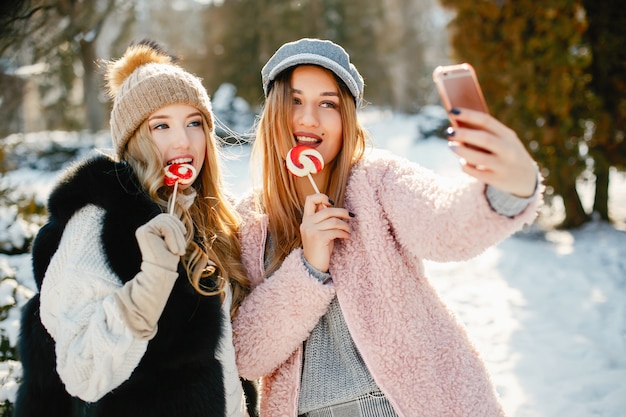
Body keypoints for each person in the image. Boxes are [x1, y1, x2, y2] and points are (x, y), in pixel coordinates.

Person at [232, 38, 543, 417]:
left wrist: (512, 186)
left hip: (406, 405)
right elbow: (246, 355)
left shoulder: (376, 182)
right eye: (295, 101)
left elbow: (444, 223)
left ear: (346, 119)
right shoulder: (249, 224)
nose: (309, 118)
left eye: (327, 103)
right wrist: (309, 266)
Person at [14, 40, 254, 417]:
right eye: (161, 125)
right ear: (133, 139)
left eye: (194, 123)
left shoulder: (206, 223)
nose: (183, 140)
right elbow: (82, 373)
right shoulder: (94, 223)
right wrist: (148, 287)